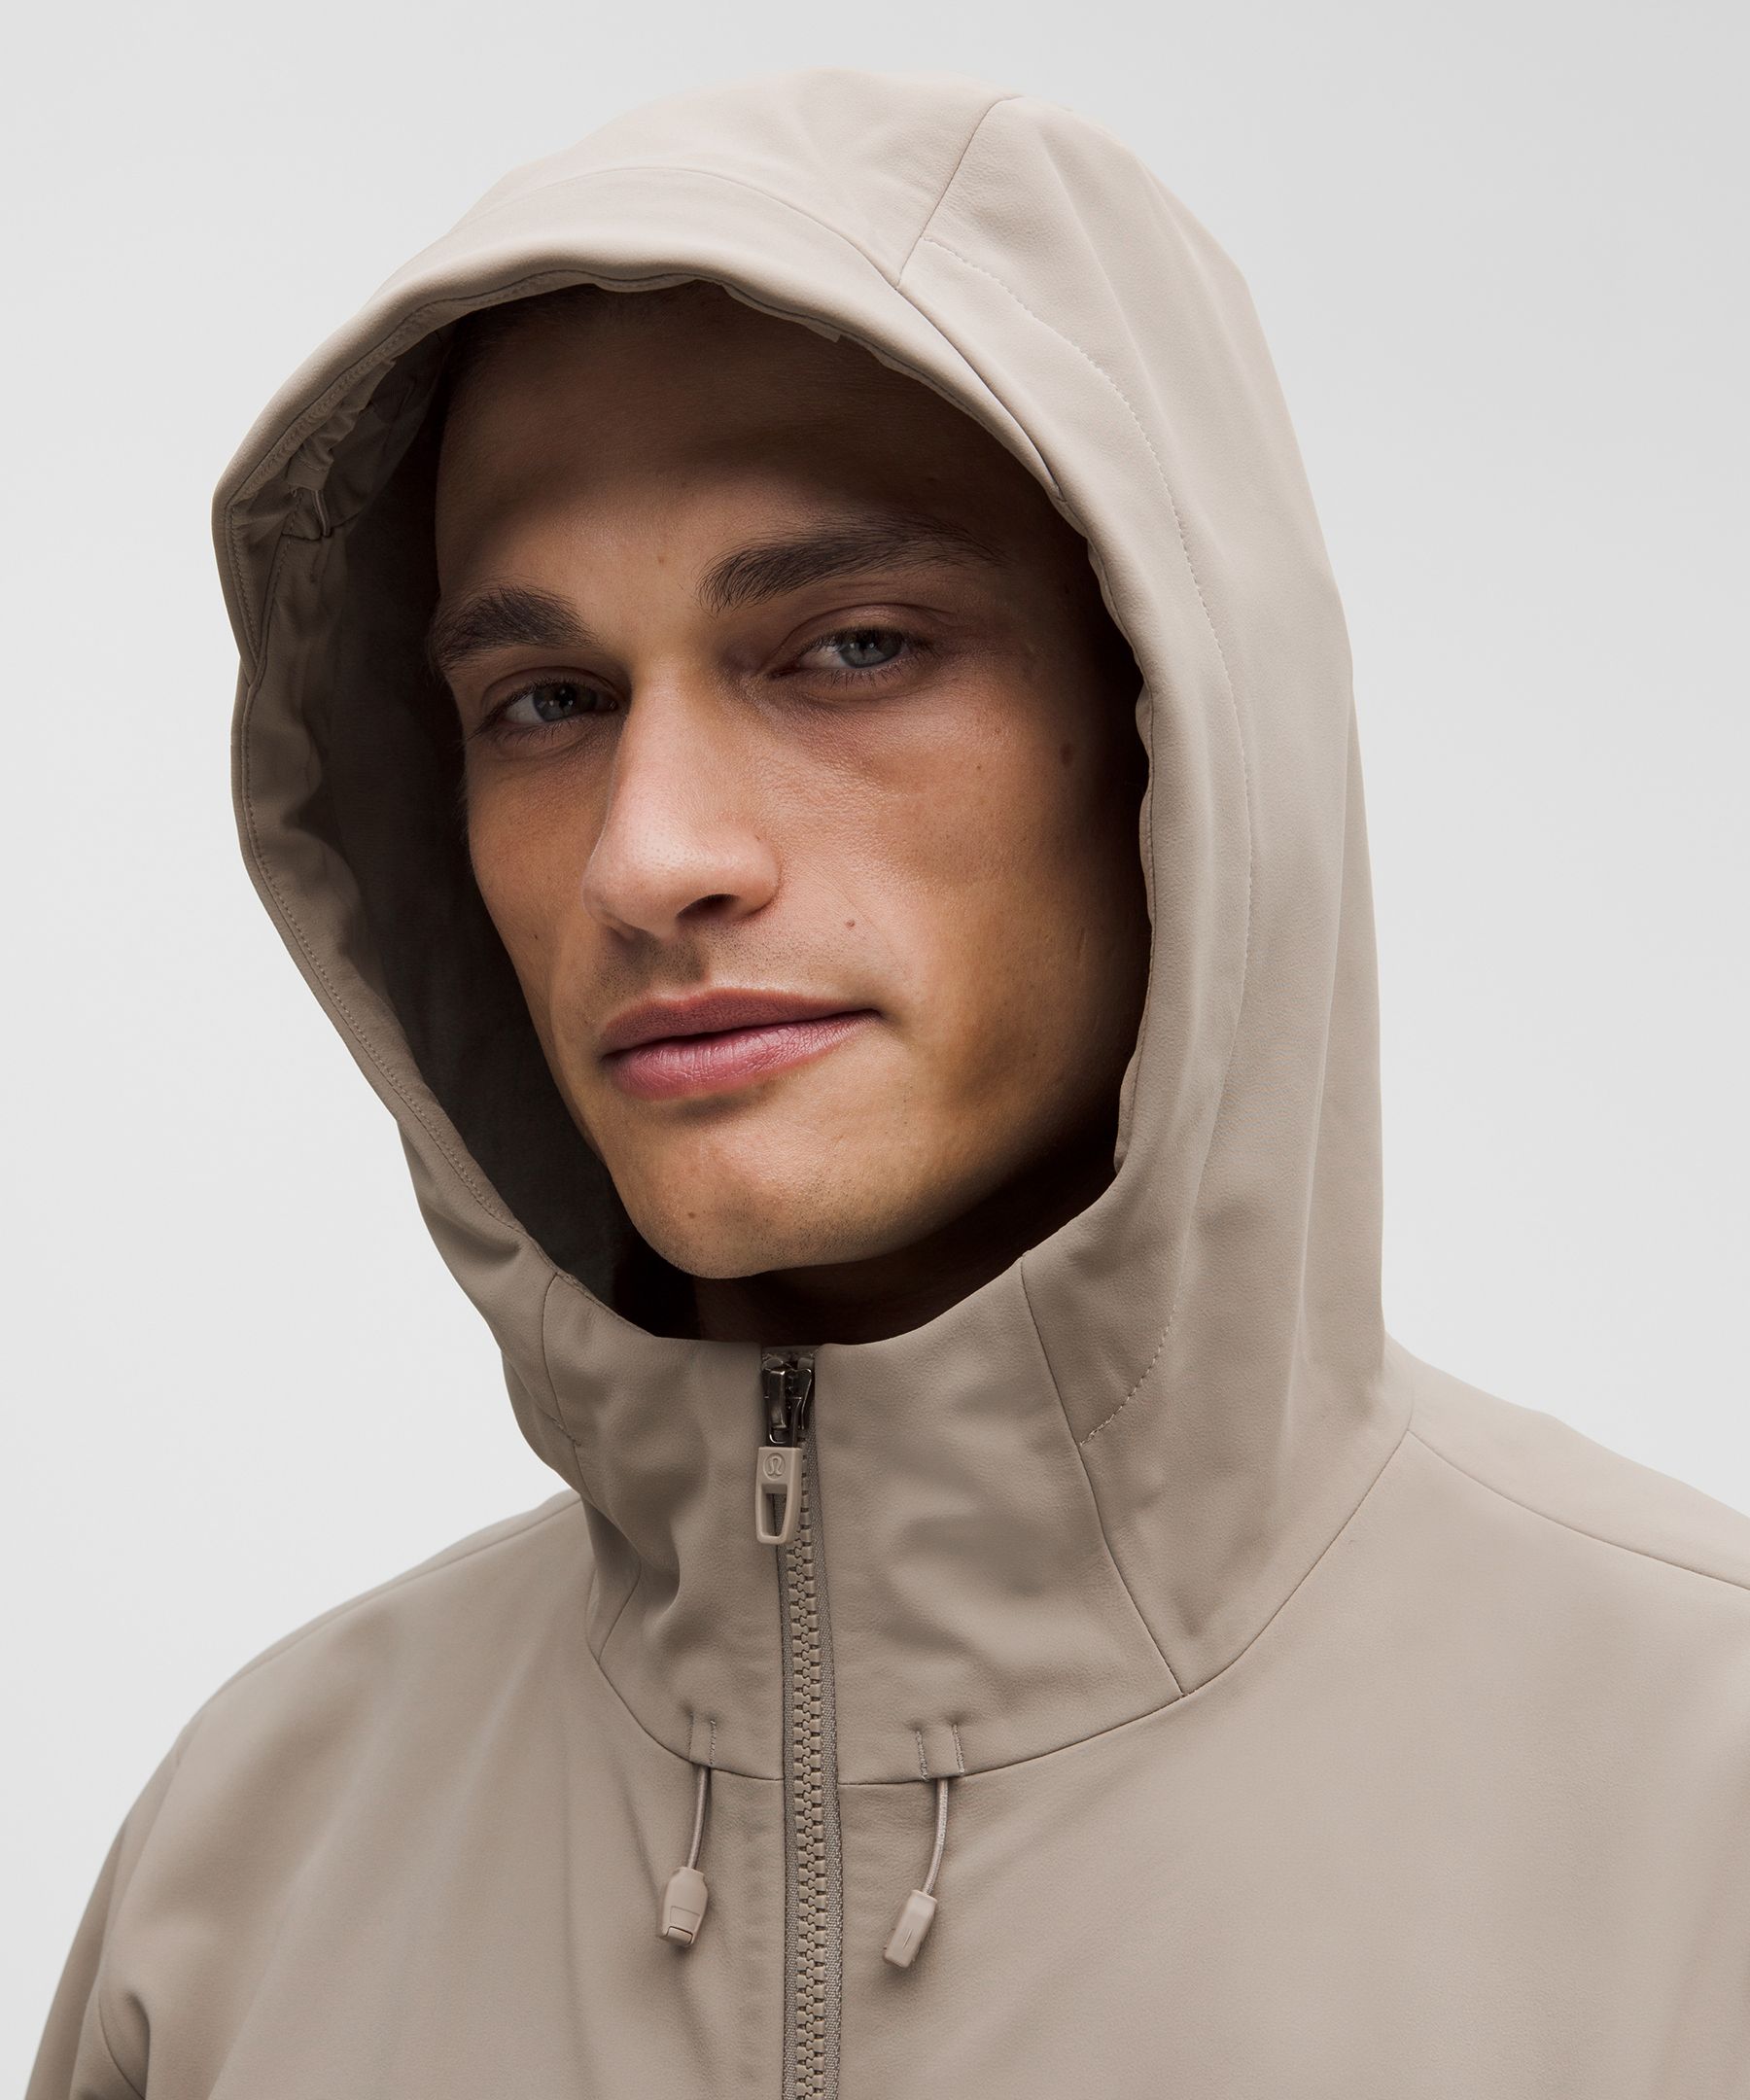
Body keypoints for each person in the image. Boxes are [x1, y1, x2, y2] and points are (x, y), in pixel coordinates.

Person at [27, 66, 1750, 2099]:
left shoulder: (1700, 1810)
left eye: (850, 649)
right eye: (546, 700)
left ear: (1179, 722)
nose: (651, 855)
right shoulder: (247, 1881)